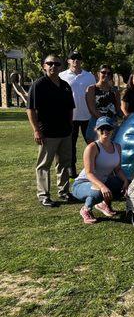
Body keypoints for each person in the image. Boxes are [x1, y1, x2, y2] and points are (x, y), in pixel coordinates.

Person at [27, 55, 75, 207]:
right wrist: (36, 130)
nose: (53, 66)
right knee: (44, 165)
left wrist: (70, 125)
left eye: (56, 63)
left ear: (61, 67)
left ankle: (64, 192)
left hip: (65, 132)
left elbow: (70, 108)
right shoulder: (39, 85)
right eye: (50, 63)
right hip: (47, 133)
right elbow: (31, 110)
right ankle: (44, 195)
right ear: (44, 66)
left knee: (64, 163)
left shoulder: (65, 85)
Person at [72, 117, 129, 224]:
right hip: (82, 184)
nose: (105, 131)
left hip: (102, 181)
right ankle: (86, 209)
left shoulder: (117, 147)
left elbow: (117, 169)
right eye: (101, 128)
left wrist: (125, 181)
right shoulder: (92, 147)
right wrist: (102, 187)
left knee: (121, 183)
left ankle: (104, 204)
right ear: (96, 130)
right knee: (99, 191)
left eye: (108, 128)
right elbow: (89, 173)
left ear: (113, 129)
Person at [59, 51, 96, 178]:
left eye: (78, 58)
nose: (76, 60)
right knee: (71, 145)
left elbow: (94, 95)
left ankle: (95, 166)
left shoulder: (89, 76)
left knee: (92, 144)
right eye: (73, 58)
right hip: (71, 117)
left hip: (88, 116)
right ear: (68, 61)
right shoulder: (62, 76)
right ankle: (71, 168)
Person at [85, 64, 121, 142]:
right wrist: (105, 121)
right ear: (98, 74)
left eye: (109, 73)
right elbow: (92, 109)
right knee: (95, 150)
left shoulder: (115, 90)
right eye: (103, 72)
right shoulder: (91, 89)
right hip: (97, 122)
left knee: (112, 149)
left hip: (112, 124)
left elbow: (118, 108)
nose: (106, 75)